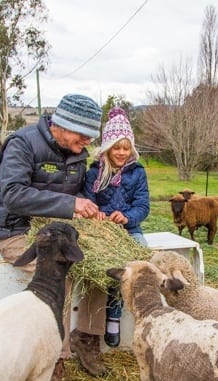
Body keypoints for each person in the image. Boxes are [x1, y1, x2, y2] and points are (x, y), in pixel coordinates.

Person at [0, 93, 108, 381]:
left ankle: (87, 337)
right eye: (83, 136)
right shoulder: (22, 144)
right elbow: (14, 195)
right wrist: (70, 205)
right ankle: (52, 360)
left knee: (101, 267)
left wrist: (91, 208)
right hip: (18, 232)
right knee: (61, 278)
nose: (86, 144)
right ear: (64, 126)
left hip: (60, 231)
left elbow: (81, 192)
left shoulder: (76, 152)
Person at [83, 107, 150, 347]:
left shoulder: (138, 173)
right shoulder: (94, 172)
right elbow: (88, 199)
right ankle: (111, 317)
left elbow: (142, 206)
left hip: (130, 230)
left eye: (126, 148)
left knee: (142, 263)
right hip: (102, 231)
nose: (121, 153)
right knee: (109, 269)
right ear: (107, 147)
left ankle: (144, 315)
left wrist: (128, 217)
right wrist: (95, 213)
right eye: (116, 148)